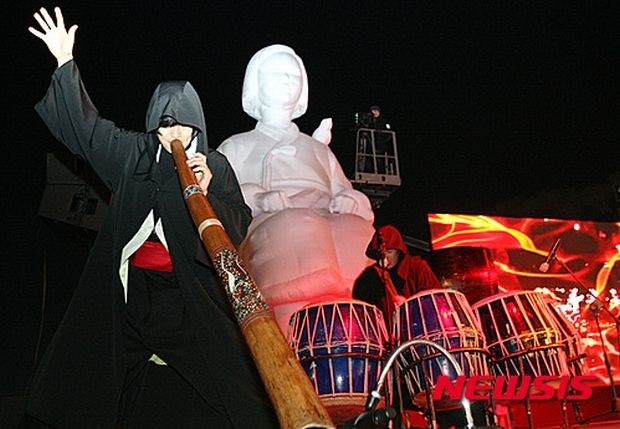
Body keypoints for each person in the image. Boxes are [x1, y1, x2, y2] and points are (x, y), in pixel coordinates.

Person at [26, 7, 278, 428]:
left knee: (229, 381)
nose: (172, 136)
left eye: (181, 128)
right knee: (94, 375)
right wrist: (65, 61)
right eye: (164, 128)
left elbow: (238, 223)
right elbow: (89, 132)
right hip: (134, 291)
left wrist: (210, 191)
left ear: (196, 126)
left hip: (185, 295)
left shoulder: (214, 164)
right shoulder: (134, 154)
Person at [217, 44, 375, 332]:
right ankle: (300, 325)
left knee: (354, 231)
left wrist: (349, 200)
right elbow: (220, 197)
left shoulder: (318, 150)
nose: (287, 80)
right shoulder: (236, 146)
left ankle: (363, 321)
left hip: (328, 218)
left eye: (293, 75)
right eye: (277, 74)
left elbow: (345, 190)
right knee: (298, 226)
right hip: (272, 222)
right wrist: (258, 198)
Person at [353, 224, 441, 328]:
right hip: (389, 334)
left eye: (389, 252)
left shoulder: (418, 268)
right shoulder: (369, 277)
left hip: (422, 327)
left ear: (399, 251)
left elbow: (435, 300)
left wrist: (410, 307)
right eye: (380, 253)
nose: (385, 257)